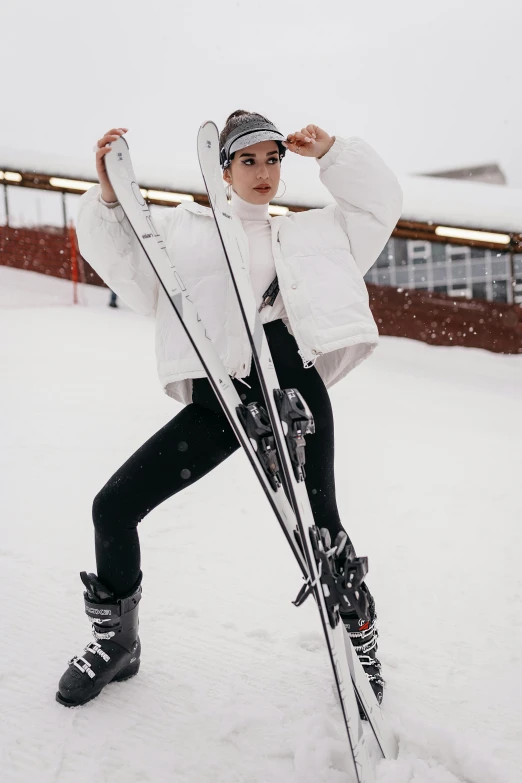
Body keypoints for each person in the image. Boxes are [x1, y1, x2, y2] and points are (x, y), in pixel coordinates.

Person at [56, 111, 403, 709]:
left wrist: (333, 153)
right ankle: (118, 644)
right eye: (249, 160)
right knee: (112, 507)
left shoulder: (309, 232)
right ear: (223, 171)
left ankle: (360, 642)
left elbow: (380, 208)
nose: (264, 172)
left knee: (324, 528)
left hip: (293, 387)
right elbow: (134, 272)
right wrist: (111, 201)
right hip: (227, 398)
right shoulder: (187, 233)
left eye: (273, 159)